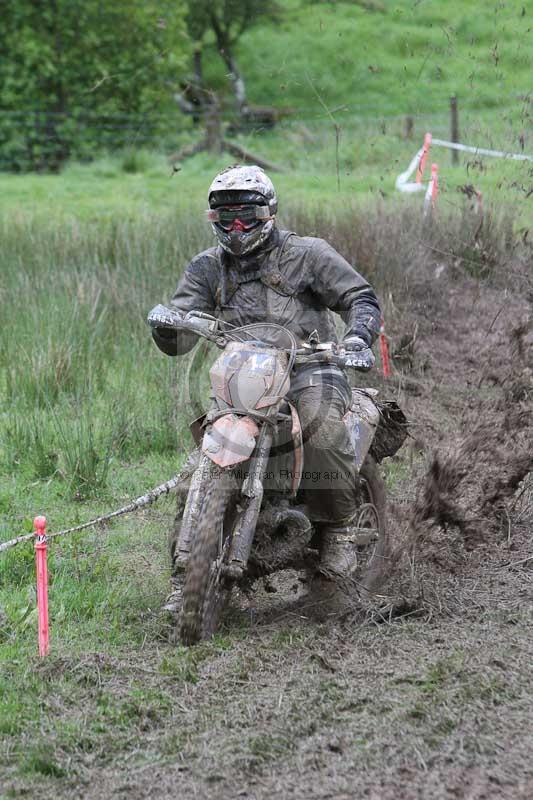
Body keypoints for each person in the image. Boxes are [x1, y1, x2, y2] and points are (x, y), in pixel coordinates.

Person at [151, 164, 381, 586]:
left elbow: (359, 297)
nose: (236, 227)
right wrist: (167, 326)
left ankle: (341, 529)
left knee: (324, 432)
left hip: (312, 368)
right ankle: (186, 582)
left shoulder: (308, 253)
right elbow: (181, 330)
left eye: (246, 217)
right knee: (197, 471)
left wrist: (358, 337)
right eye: (225, 218)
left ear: (268, 212)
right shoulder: (206, 267)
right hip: (243, 374)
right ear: (213, 220)